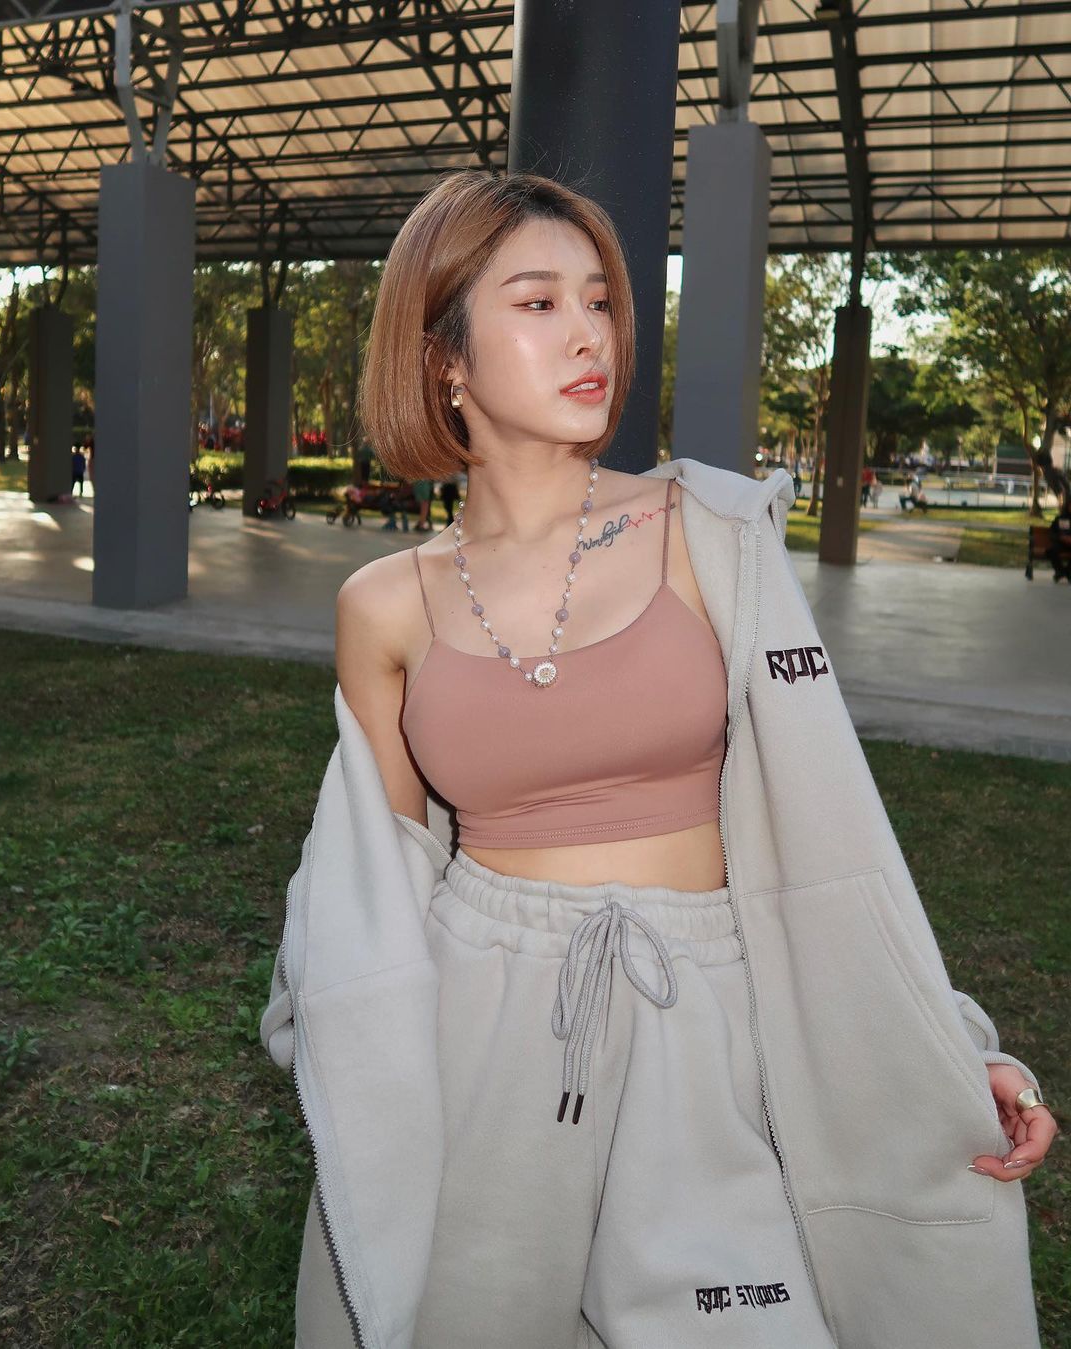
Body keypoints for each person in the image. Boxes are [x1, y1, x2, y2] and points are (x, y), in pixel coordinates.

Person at [272, 170, 1054, 1349]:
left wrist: (943, 1042)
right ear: (444, 358)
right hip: (483, 1029)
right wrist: (340, 1053)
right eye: (538, 302)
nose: (589, 332)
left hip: (708, 1015)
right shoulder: (383, 604)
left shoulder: (713, 533)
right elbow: (372, 892)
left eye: (600, 299)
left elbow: (828, 829)